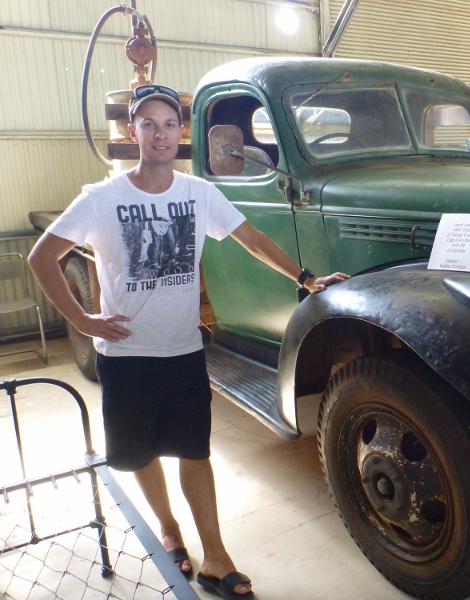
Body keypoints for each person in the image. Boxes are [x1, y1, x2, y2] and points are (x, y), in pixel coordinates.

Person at [28, 84, 349, 599]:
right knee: (139, 455)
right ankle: (169, 530)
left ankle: (217, 557)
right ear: (134, 131)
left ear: (181, 134)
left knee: (193, 451)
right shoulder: (101, 199)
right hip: (126, 356)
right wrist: (83, 320)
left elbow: (253, 240)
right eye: (149, 124)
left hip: (183, 352)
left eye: (169, 124)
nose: (160, 133)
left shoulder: (197, 193)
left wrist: (305, 278)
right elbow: (41, 258)